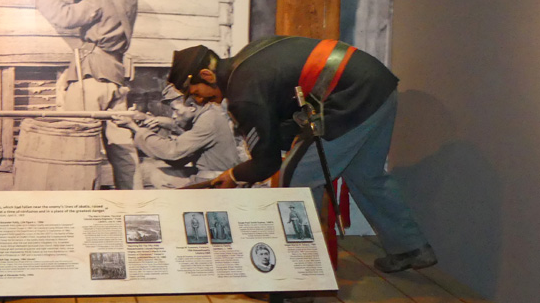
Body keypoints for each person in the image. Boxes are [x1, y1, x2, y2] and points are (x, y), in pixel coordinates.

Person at [167, 36, 437, 274]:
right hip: (377, 85)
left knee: (296, 181)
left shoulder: (243, 92)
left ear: (207, 74)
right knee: (364, 174)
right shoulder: (248, 59)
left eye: (195, 93)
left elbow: (267, 162)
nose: (198, 101)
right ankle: (410, 247)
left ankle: (302, 276)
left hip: (351, 96)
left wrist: (234, 175)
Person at [31, 0, 139, 189]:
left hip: (92, 77)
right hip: (116, 77)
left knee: (77, 142)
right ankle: (135, 198)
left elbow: (66, 16)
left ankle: (77, 199)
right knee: (122, 148)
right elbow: (110, 13)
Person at [113, 83, 242, 189]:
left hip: (218, 182)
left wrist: (135, 128)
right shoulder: (209, 114)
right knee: (159, 174)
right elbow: (180, 158)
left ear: (191, 106)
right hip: (215, 176)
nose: (174, 115)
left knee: (158, 176)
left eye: (175, 109)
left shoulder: (209, 120)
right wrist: (153, 122)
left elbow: (173, 151)